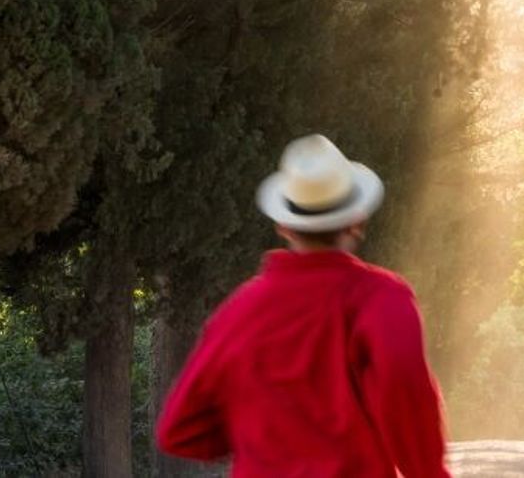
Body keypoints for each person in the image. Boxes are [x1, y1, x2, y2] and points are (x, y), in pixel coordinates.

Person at [155, 134, 452, 478]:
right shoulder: (382, 298)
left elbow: (180, 431)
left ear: (283, 226)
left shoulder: (238, 312)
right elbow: (404, 389)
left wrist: (257, 440)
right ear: (357, 220)